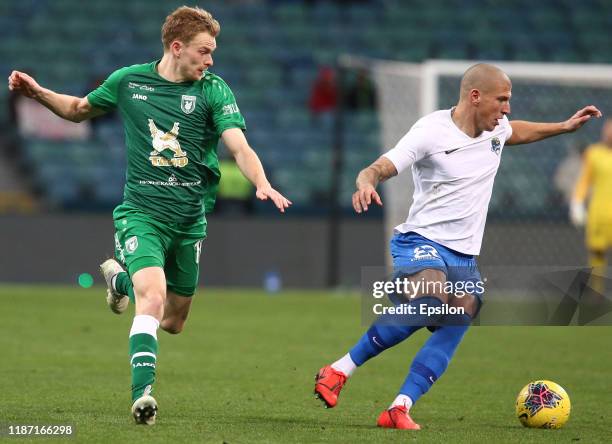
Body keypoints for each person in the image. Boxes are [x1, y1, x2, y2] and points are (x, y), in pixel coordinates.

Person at [8, 6, 291, 425]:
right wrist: (38, 93)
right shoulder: (129, 81)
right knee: (153, 299)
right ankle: (143, 396)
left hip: (189, 220)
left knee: (173, 321)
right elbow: (77, 109)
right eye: (204, 51)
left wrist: (261, 182)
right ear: (177, 48)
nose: (210, 60)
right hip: (141, 214)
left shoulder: (214, 91)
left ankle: (117, 279)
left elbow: (239, 146)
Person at [314, 63, 601, 430]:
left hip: (464, 256)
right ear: (475, 96)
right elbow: (380, 167)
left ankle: (399, 407)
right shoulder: (430, 131)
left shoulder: (495, 129)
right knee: (431, 300)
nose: (507, 109)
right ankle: (338, 370)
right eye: (503, 100)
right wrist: (365, 182)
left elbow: (517, 132)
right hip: (420, 241)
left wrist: (562, 127)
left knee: (460, 314)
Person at [570, 118, 612, 295]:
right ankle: (597, 292)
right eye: (608, 128)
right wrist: (577, 203)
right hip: (599, 213)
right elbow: (584, 181)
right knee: (597, 253)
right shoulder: (593, 153)